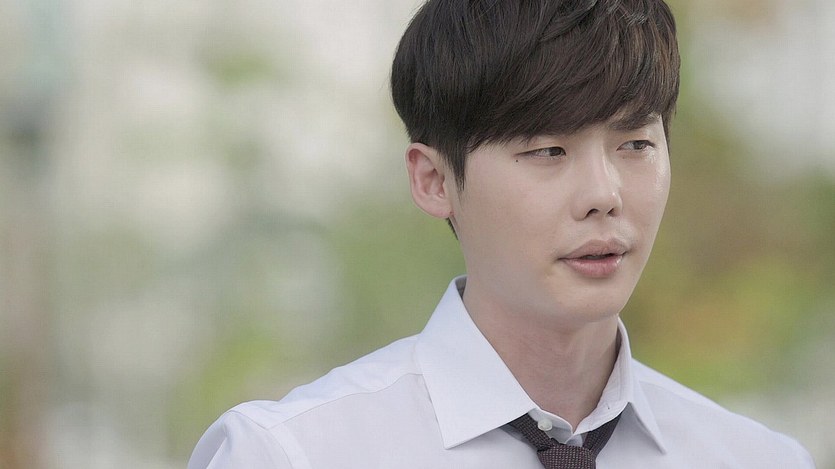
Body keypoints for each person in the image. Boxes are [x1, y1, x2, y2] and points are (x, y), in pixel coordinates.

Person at [188, 0, 815, 467]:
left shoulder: (757, 459)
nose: (604, 195)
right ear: (434, 179)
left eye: (635, 144)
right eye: (548, 151)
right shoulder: (292, 453)